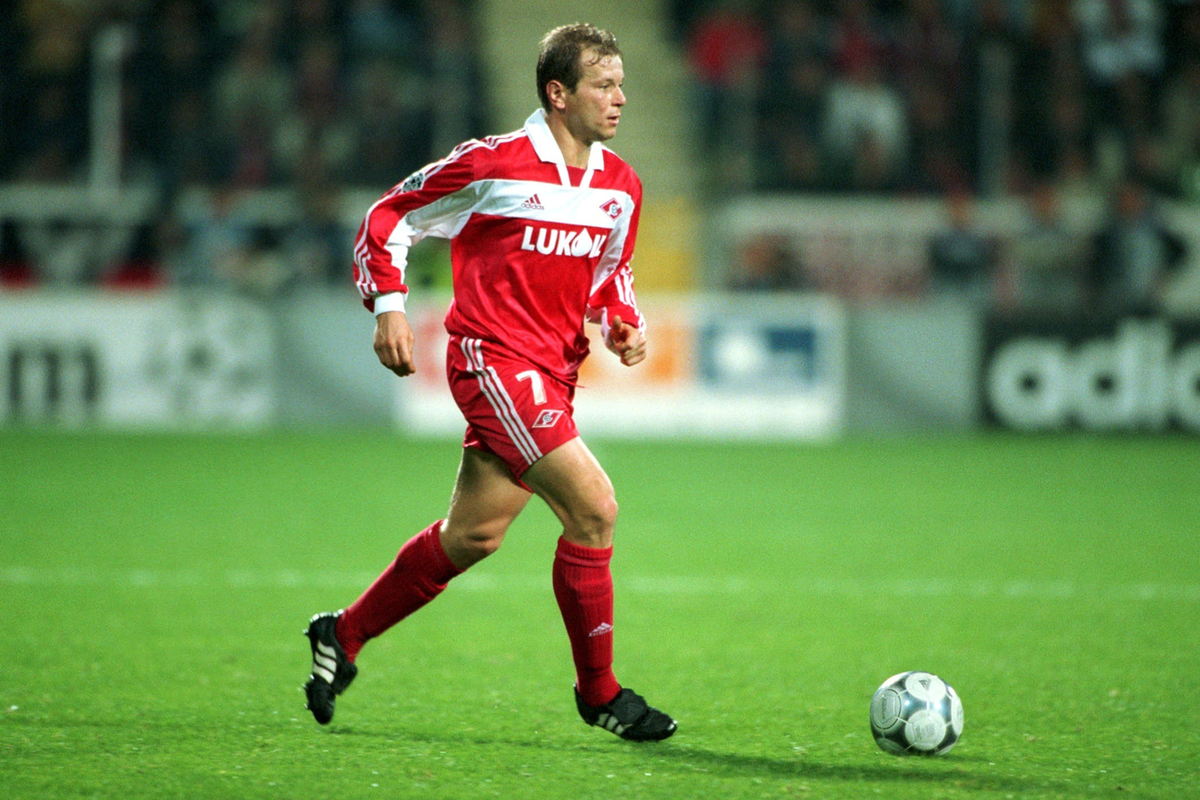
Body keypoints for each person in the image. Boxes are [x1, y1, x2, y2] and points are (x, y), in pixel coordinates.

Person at [302, 23, 677, 742]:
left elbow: (612, 274)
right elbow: (389, 216)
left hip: (553, 373)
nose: (620, 98)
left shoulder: (621, 186)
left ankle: (341, 634)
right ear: (558, 93)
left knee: (473, 535)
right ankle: (600, 693)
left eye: (622, 84)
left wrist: (622, 320)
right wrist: (389, 307)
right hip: (492, 361)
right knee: (594, 509)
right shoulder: (493, 165)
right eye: (604, 85)